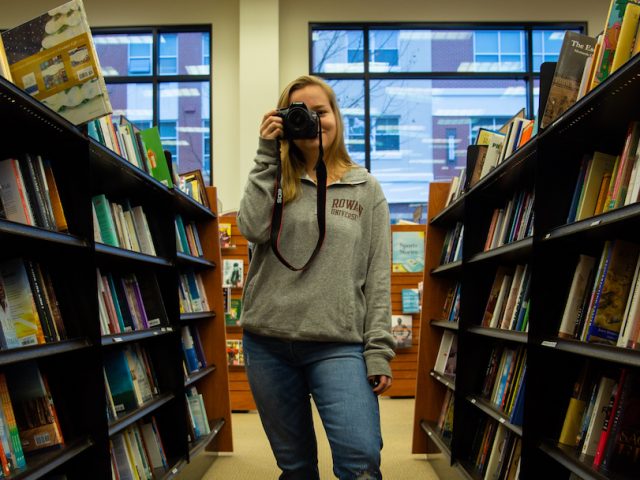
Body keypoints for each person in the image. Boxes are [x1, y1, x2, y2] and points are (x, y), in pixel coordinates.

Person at [237, 75, 395, 480]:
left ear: (335, 117)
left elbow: (377, 277)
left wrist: (378, 350)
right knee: (296, 467)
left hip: (337, 343)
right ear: (284, 120)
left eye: (320, 111)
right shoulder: (272, 178)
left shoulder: (366, 188)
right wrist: (265, 156)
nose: (312, 120)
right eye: (300, 113)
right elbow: (251, 228)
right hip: (267, 342)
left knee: (361, 461)